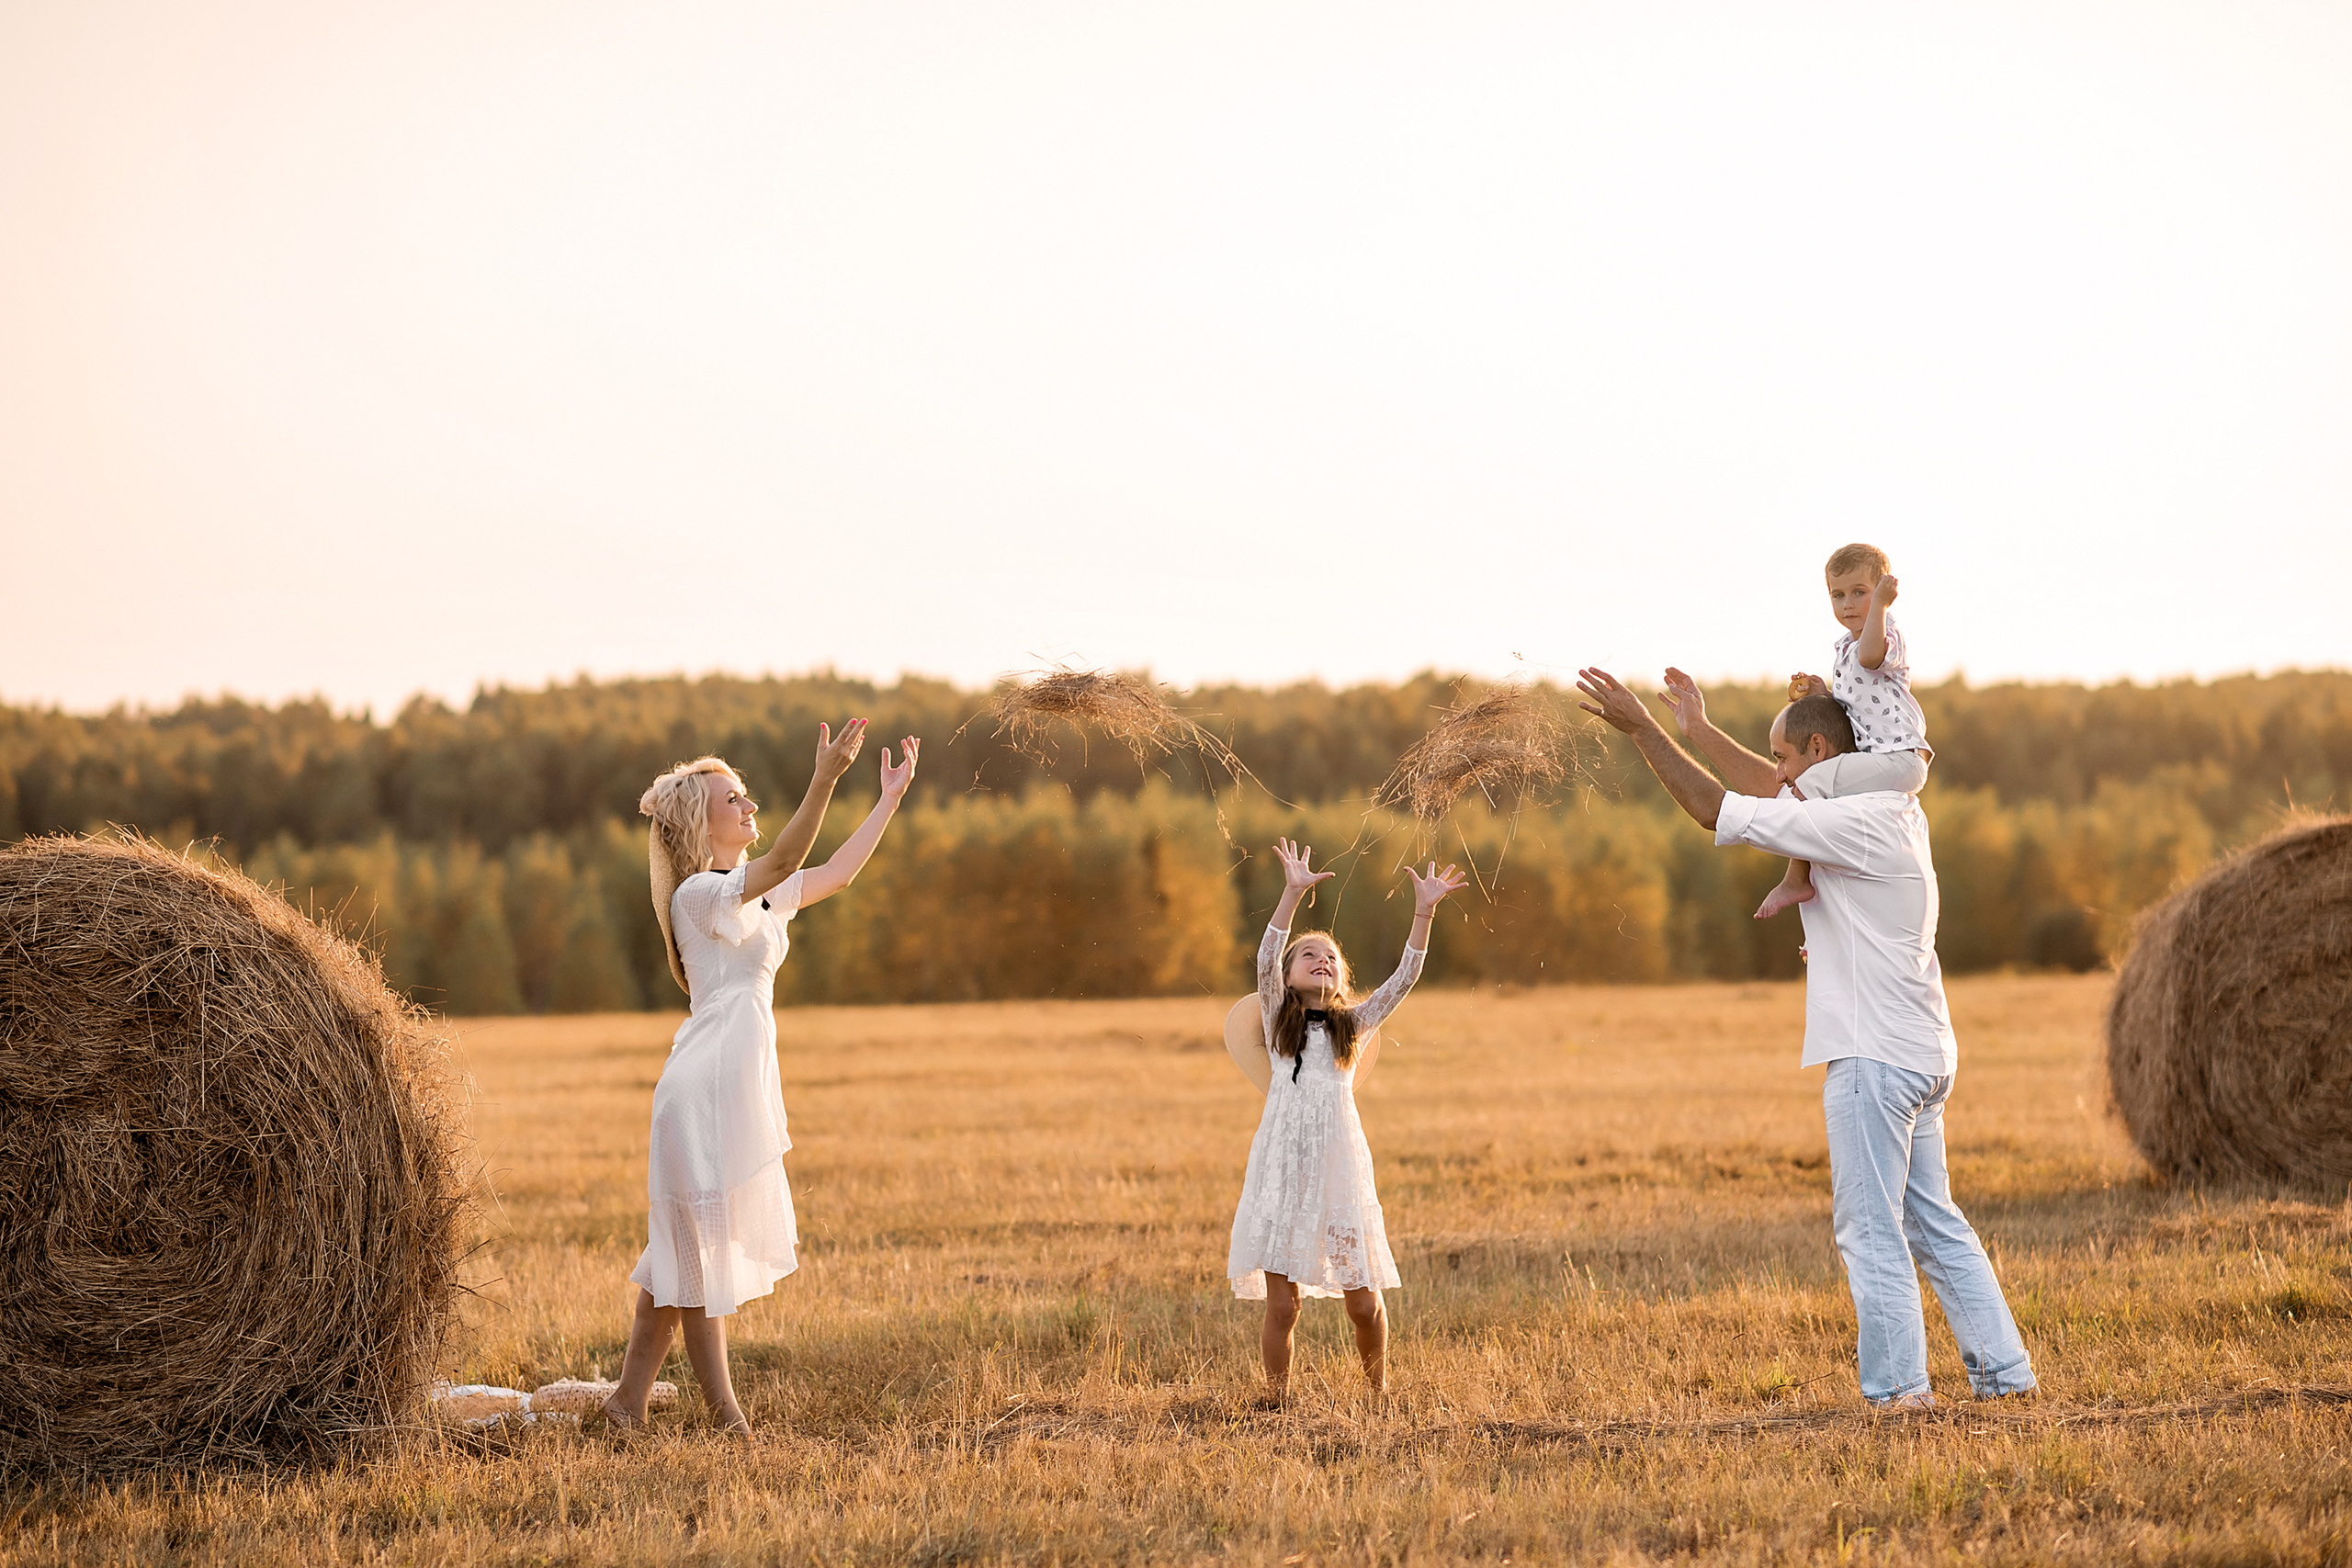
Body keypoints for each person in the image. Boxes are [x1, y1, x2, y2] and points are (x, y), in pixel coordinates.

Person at [1573, 667, 2034, 1409]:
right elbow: (1772, 790)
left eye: (1788, 760)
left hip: (1874, 1057)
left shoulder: (1848, 822)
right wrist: (1697, 727)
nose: (1780, 776)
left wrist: (1642, 729)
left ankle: (1900, 1395)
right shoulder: (1894, 813)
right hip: (1921, 1051)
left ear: (1820, 752)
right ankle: (2006, 1376)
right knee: (1932, 1222)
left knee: (1869, 1230)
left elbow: (1716, 809)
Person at [601, 722, 922, 1437]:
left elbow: (833, 872)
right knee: (701, 1252)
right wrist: (826, 777)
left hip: (730, 1086)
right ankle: (728, 1421)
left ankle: (626, 1404)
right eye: (732, 799)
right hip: (699, 1093)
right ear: (701, 822)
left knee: (677, 1258)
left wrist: (888, 799)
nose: (748, 806)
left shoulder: (753, 897)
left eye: (745, 795)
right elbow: (784, 858)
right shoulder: (698, 895)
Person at [1227, 838, 1467, 1399]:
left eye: (1331, 957)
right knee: (1283, 1306)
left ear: (1340, 977)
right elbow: (1265, 958)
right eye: (1308, 955)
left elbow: (1403, 980)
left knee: (1363, 1302)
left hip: (1340, 1173)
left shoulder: (1352, 1028)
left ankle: (1376, 1393)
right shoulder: (1276, 1020)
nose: (1322, 960)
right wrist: (1290, 894)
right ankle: (1276, 1401)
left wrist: (1424, 912)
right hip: (1282, 1171)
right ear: (1288, 978)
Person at [1676, 542, 1931, 922]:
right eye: (1838, 595)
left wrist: (1880, 605)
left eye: (1860, 593)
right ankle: (1810, 885)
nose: (1848, 604)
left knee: (1808, 784)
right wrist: (1823, 694)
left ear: (1881, 591)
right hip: (1878, 758)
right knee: (1820, 797)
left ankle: (1796, 878)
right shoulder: (1845, 647)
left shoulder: (1885, 633)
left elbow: (1870, 657)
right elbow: (1855, 711)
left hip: (1898, 759)